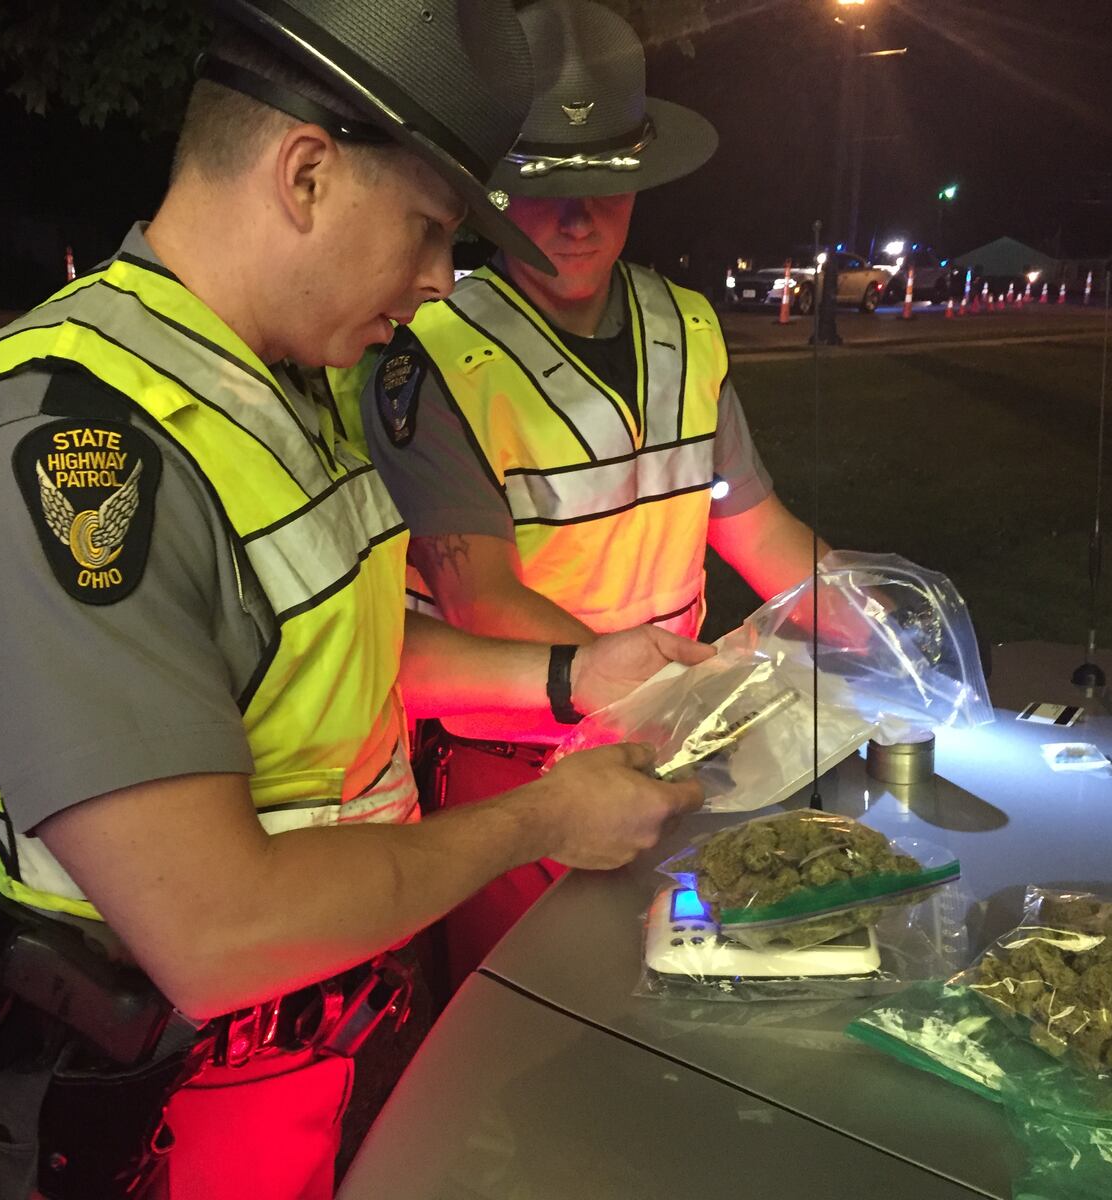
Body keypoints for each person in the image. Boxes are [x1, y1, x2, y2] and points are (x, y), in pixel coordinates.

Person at [0, 2, 711, 1197]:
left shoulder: (278, 381)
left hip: (324, 1047)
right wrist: (538, 821)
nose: (437, 283)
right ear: (305, 173)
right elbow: (215, 931)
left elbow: (329, 643)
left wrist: (573, 675)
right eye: (427, 228)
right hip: (172, 1108)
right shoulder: (62, 447)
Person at [350, 0, 838, 994]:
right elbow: (483, 605)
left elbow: (758, 528)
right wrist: (682, 705)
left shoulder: (684, 330)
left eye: (606, 185)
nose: (576, 217)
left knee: (670, 1005)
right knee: (524, 1027)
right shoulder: (434, 353)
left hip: (670, 740)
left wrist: (878, 618)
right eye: (545, 187)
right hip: (517, 767)